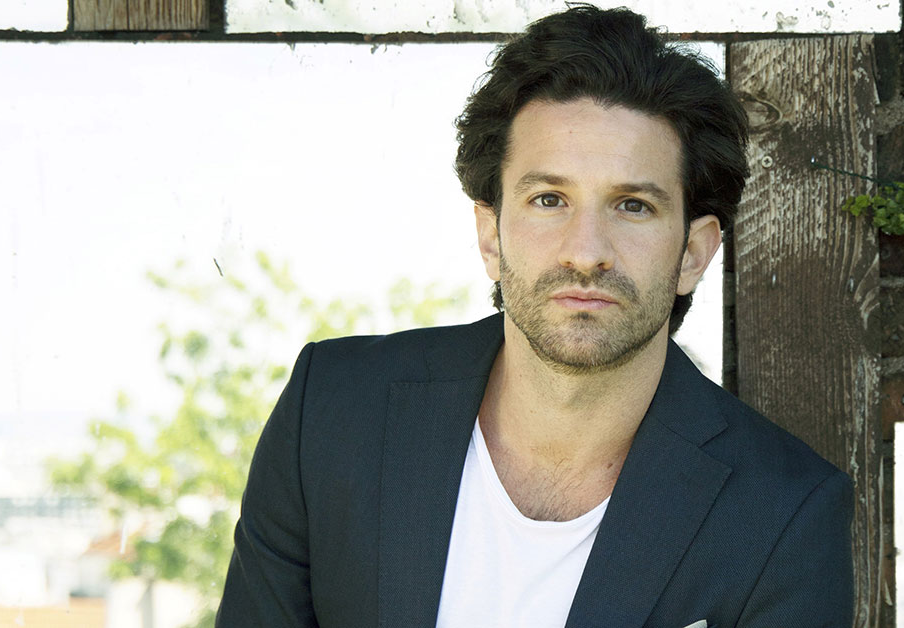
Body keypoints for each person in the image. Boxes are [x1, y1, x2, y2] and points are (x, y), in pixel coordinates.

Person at [216, 5, 853, 627]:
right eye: (549, 199)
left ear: (693, 252)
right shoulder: (332, 411)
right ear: (490, 237)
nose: (586, 251)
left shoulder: (784, 515)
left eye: (633, 206)